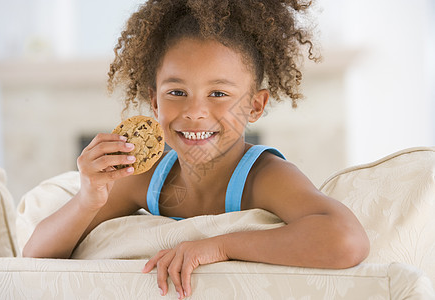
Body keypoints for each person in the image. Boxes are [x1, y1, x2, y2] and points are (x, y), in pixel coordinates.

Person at [23, 0, 370, 298]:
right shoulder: (144, 174)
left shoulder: (265, 177)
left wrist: (218, 246)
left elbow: (347, 241)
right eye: (176, 92)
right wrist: (89, 198)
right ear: (154, 102)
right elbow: (34, 256)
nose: (195, 112)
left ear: (255, 106)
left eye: (218, 94)